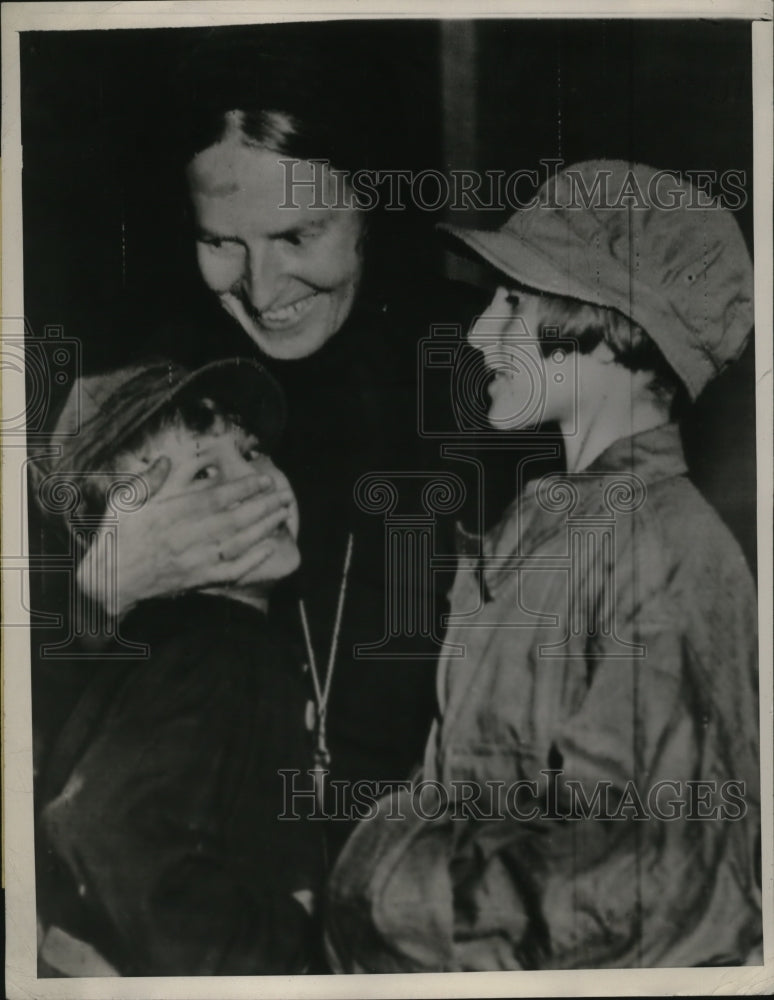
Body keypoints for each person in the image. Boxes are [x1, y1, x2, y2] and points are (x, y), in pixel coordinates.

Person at [68, 42, 516, 858]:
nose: (262, 291)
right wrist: (96, 595)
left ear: (372, 205)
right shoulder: (149, 391)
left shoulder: (498, 371)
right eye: (221, 243)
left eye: (298, 236)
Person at [324, 160, 762, 970]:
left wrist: (387, 899)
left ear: (606, 326)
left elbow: (625, 872)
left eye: (512, 302)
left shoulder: (671, 552)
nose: (481, 330)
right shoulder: (539, 521)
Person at [34, 357, 323, 976]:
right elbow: (105, 830)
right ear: (132, 543)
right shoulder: (212, 656)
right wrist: (286, 939)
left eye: (249, 450)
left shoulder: (220, 644)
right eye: (205, 474)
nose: (254, 482)